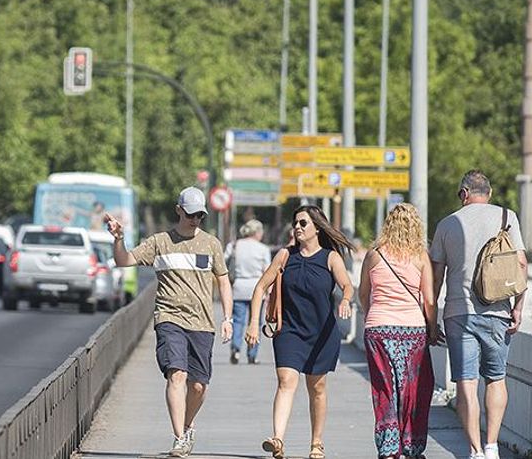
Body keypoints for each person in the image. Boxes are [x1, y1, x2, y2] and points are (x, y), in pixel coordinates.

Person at [107, 186, 233, 458]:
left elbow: (223, 280)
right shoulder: (159, 242)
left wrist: (228, 318)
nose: (194, 220)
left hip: (202, 322)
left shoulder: (211, 244)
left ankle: (188, 426)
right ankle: (179, 438)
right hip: (169, 317)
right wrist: (118, 239)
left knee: (198, 385)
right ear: (178, 210)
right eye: (190, 214)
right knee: (177, 374)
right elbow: (123, 260)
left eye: (199, 216)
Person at [431, 170, 528, 459]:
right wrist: (518, 307)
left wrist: (431, 319)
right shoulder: (507, 218)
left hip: (459, 313)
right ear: (490, 193)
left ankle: (474, 450)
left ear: (464, 193)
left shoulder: (447, 224)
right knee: (496, 378)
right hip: (498, 310)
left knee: (466, 382)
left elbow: (435, 278)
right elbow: (521, 265)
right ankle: (492, 446)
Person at [246, 205, 354, 459]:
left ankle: (316, 442)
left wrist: (346, 300)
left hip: (322, 333)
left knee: (316, 387)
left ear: (317, 227)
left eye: (303, 223)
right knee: (286, 381)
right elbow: (261, 288)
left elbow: (347, 285)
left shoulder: (330, 258)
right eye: (295, 223)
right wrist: (253, 322)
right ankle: (278, 440)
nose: (297, 227)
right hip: (289, 331)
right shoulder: (285, 255)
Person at [359, 203, 439, 459]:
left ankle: (388, 447)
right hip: (413, 332)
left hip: (378, 330)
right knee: (414, 389)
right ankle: (411, 445)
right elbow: (429, 300)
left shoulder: (374, 254)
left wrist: (374, 315)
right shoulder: (420, 256)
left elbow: (363, 294)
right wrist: (433, 328)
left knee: (385, 390)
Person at [224, 219, 272, 364]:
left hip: (239, 286)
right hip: (257, 288)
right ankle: (252, 353)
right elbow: (267, 270)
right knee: (255, 321)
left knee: (238, 321)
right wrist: (269, 291)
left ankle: (236, 349)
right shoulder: (263, 249)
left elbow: (222, 261)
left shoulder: (234, 245)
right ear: (257, 232)